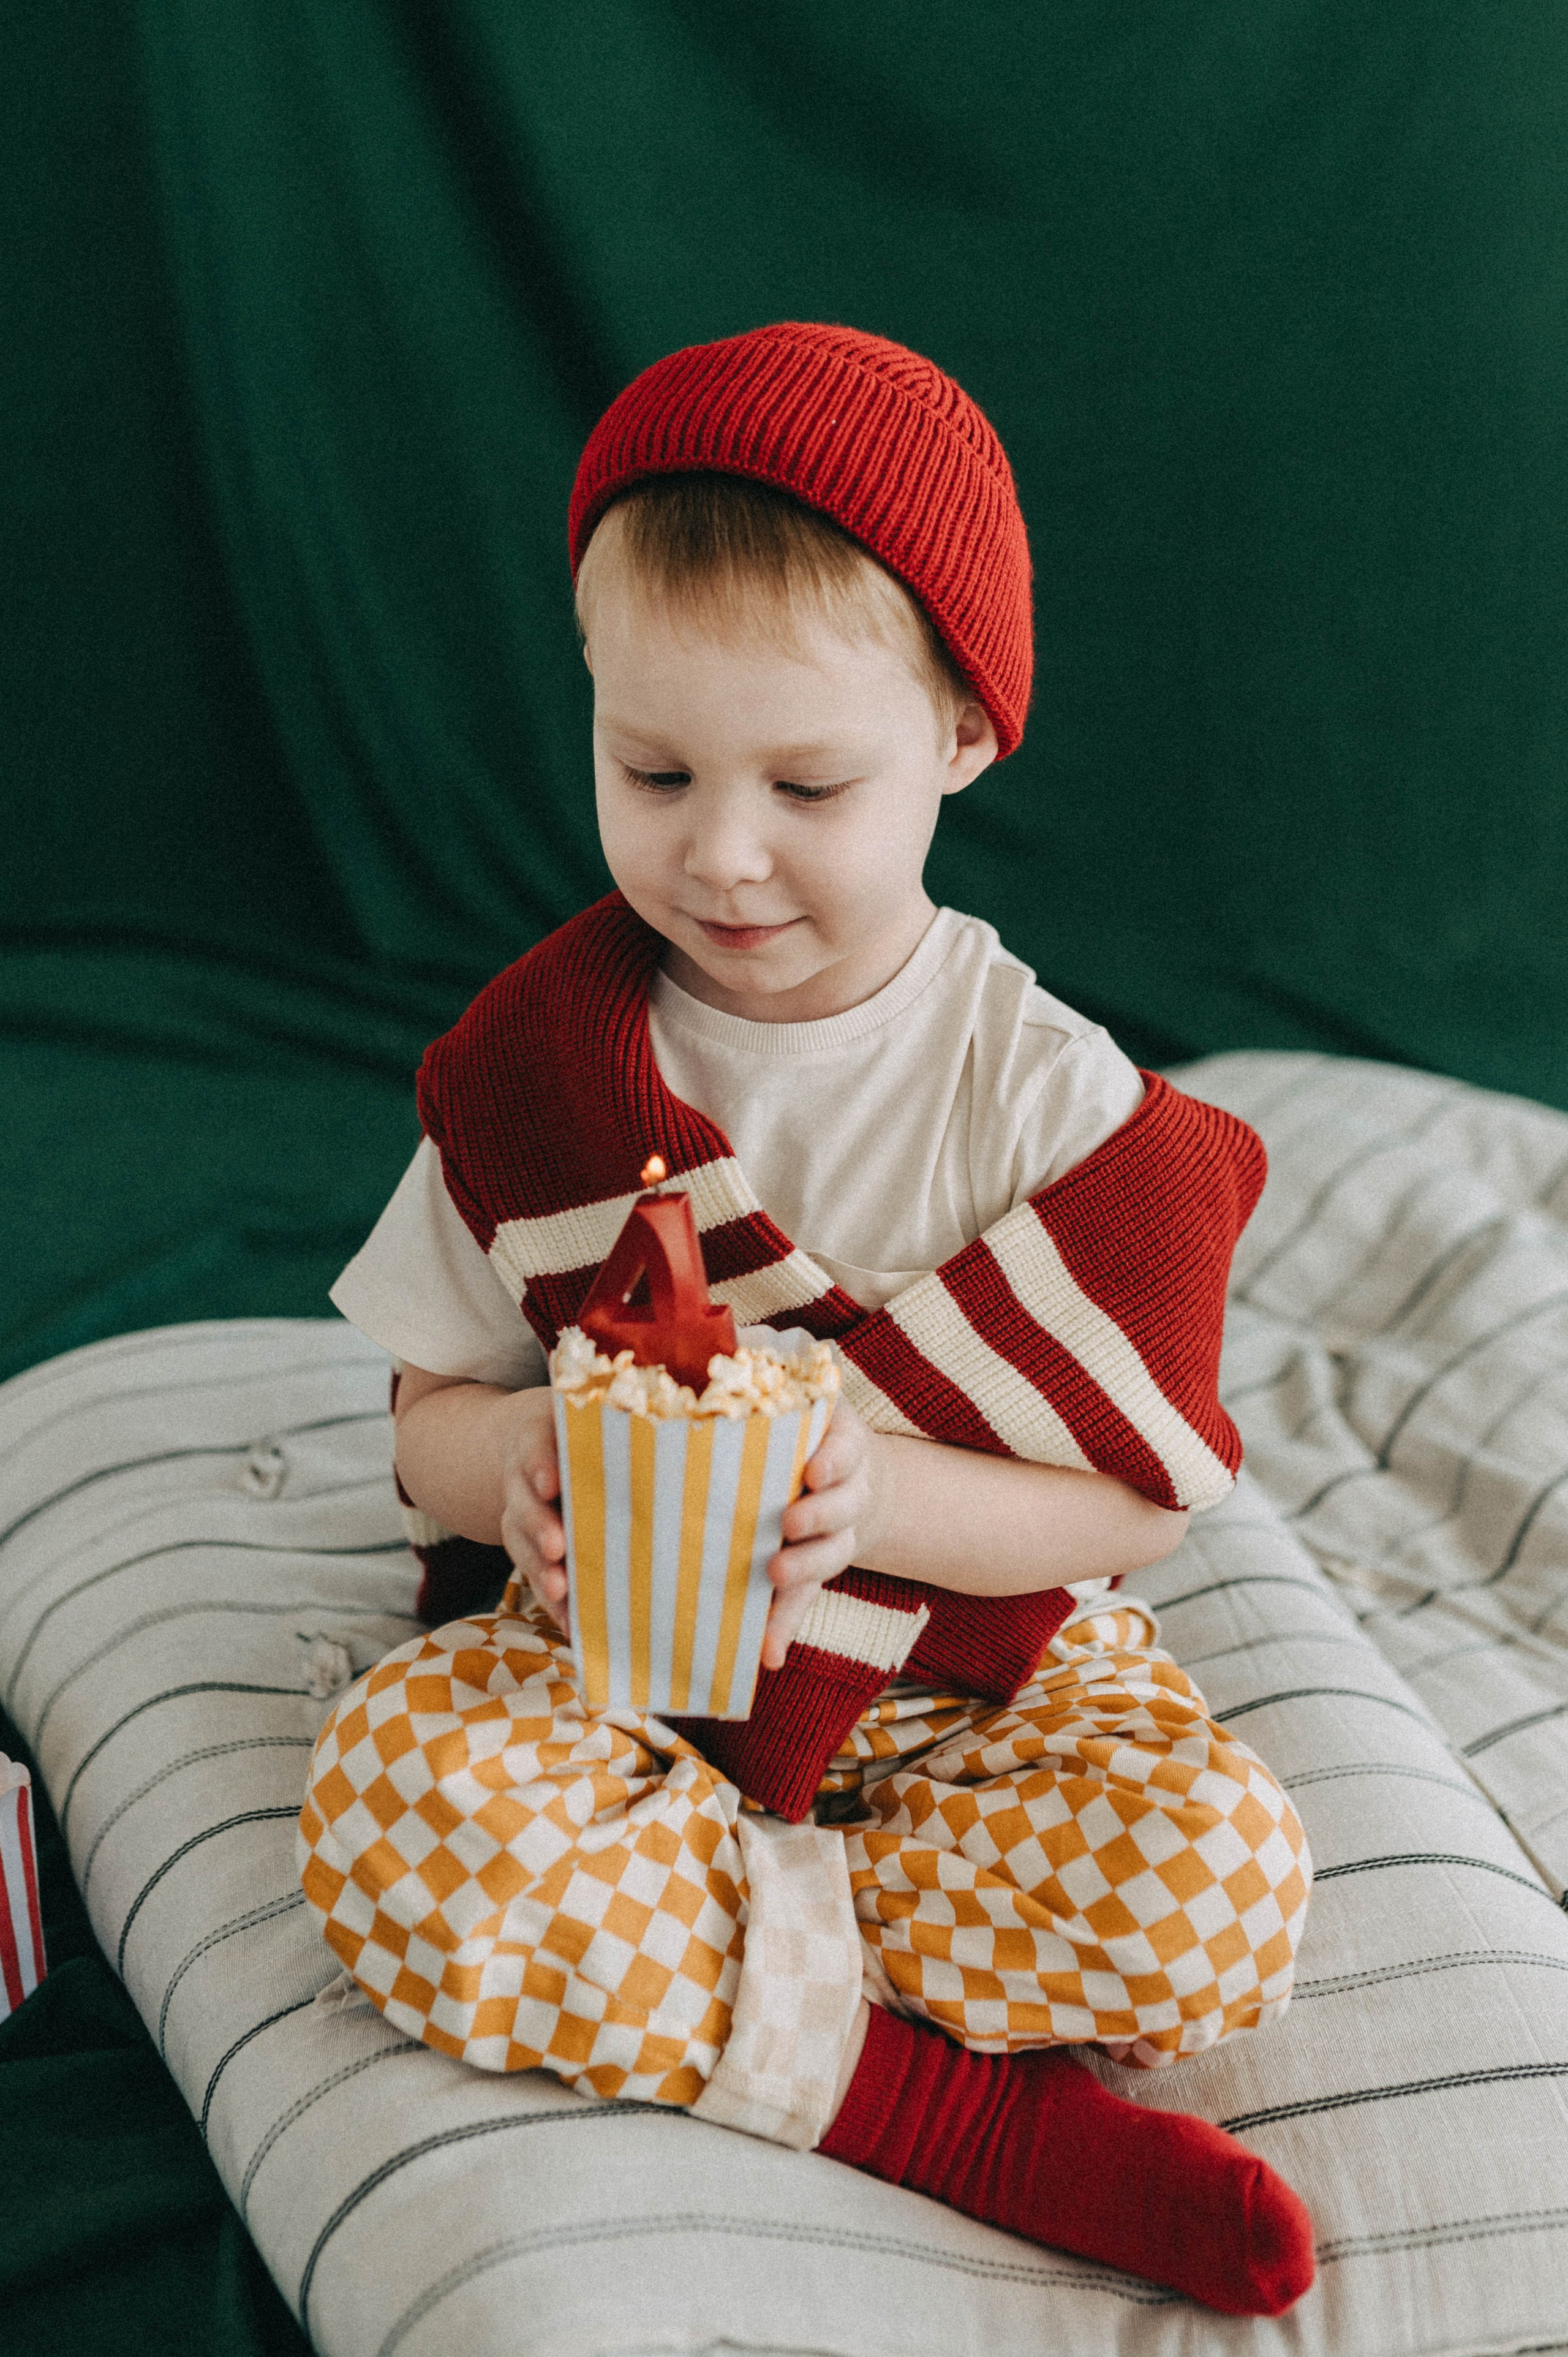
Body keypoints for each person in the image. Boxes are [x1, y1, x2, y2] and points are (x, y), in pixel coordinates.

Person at [300, 323, 1315, 2317]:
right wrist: (510, 1463)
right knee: (390, 1812)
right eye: (653, 770)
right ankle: (949, 2117)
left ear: (960, 737)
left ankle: (703, 1972)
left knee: (1220, 1881)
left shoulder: (1051, 1100)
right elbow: (423, 1402)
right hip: (624, 1680)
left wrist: (876, 1489)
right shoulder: (546, 1070)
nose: (722, 849)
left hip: (970, 1689)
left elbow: (1129, 1513)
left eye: (809, 781)